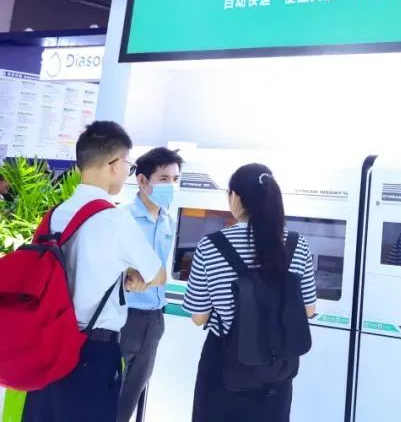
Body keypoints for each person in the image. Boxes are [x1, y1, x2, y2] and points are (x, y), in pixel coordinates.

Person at [25, 122, 166, 422]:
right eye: (127, 164)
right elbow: (157, 275)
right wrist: (133, 276)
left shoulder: (55, 215)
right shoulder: (115, 220)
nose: (126, 172)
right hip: (92, 353)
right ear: (114, 165)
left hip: (46, 348)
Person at [183, 164, 317, 422]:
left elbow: (199, 317)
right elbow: (309, 309)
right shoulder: (297, 244)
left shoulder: (210, 246)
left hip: (225, 368)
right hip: (277, 369)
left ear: (234, 196)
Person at [117, 148, 184, 422]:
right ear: (143, 181)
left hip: (155, 319)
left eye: (176, 179)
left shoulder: (168, 221)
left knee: (131, 396)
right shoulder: (121, 218)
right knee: (111, 393)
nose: (171, 186)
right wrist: (128, 276)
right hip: (124, 317)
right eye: (164, 179)